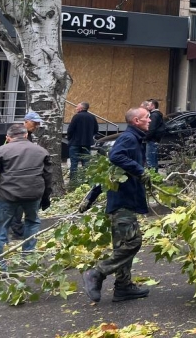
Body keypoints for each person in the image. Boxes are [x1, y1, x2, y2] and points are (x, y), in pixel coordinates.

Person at [82, 107, 152, 303]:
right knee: (132, 243)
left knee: (122, 246)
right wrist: (140, 171)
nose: (150, 120)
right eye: (147, 118)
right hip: (123, 201)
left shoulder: (134, 139)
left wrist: (91, 197)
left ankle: (123, 287)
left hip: (124, 200)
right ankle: (96, 273)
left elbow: (109, 171)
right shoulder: (129, 138)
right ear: (136, 121)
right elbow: (115, 157)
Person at [0, 123, 52, 259]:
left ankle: (0, 264)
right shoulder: (41, 151)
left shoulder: (1, 151)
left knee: (1, 228)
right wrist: (46, 198)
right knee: (32, 222)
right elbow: (47, 177)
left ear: (8, 137)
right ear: (26, 135)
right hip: (33, 194)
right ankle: (27, 257)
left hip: (7, 194)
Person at [9, 112, 45, 239]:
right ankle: (17, 232)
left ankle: (18, 231)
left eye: (37, 124)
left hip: (23, 179)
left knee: (19, 208)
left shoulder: (28, 135)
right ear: (26, 121)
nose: (36, 126)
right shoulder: (18, 134)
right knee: (17, 209)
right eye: (34, 123)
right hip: (17, 178)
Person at [67, 102, 98, 185]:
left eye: (77, 107)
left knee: (74, 163)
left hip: (75, 143)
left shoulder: (76, 117)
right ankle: (87, 182)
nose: (76, 108)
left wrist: (70, 138)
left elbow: (70, 129)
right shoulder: (92, 117)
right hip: (87, 143)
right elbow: (96, 130)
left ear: (81, 108)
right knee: (86, 163)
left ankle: (73, 182)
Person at [143, 99, 164, 171]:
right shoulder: (158, 114)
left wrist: (145, 137)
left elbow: (151, 129)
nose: (147, 106)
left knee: (150, 161)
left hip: (152, 140)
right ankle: (155, 177)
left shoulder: (154, 115)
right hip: (155, 139)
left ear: (153, 106)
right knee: (154, 160)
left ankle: (152, 178)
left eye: (148, 105)